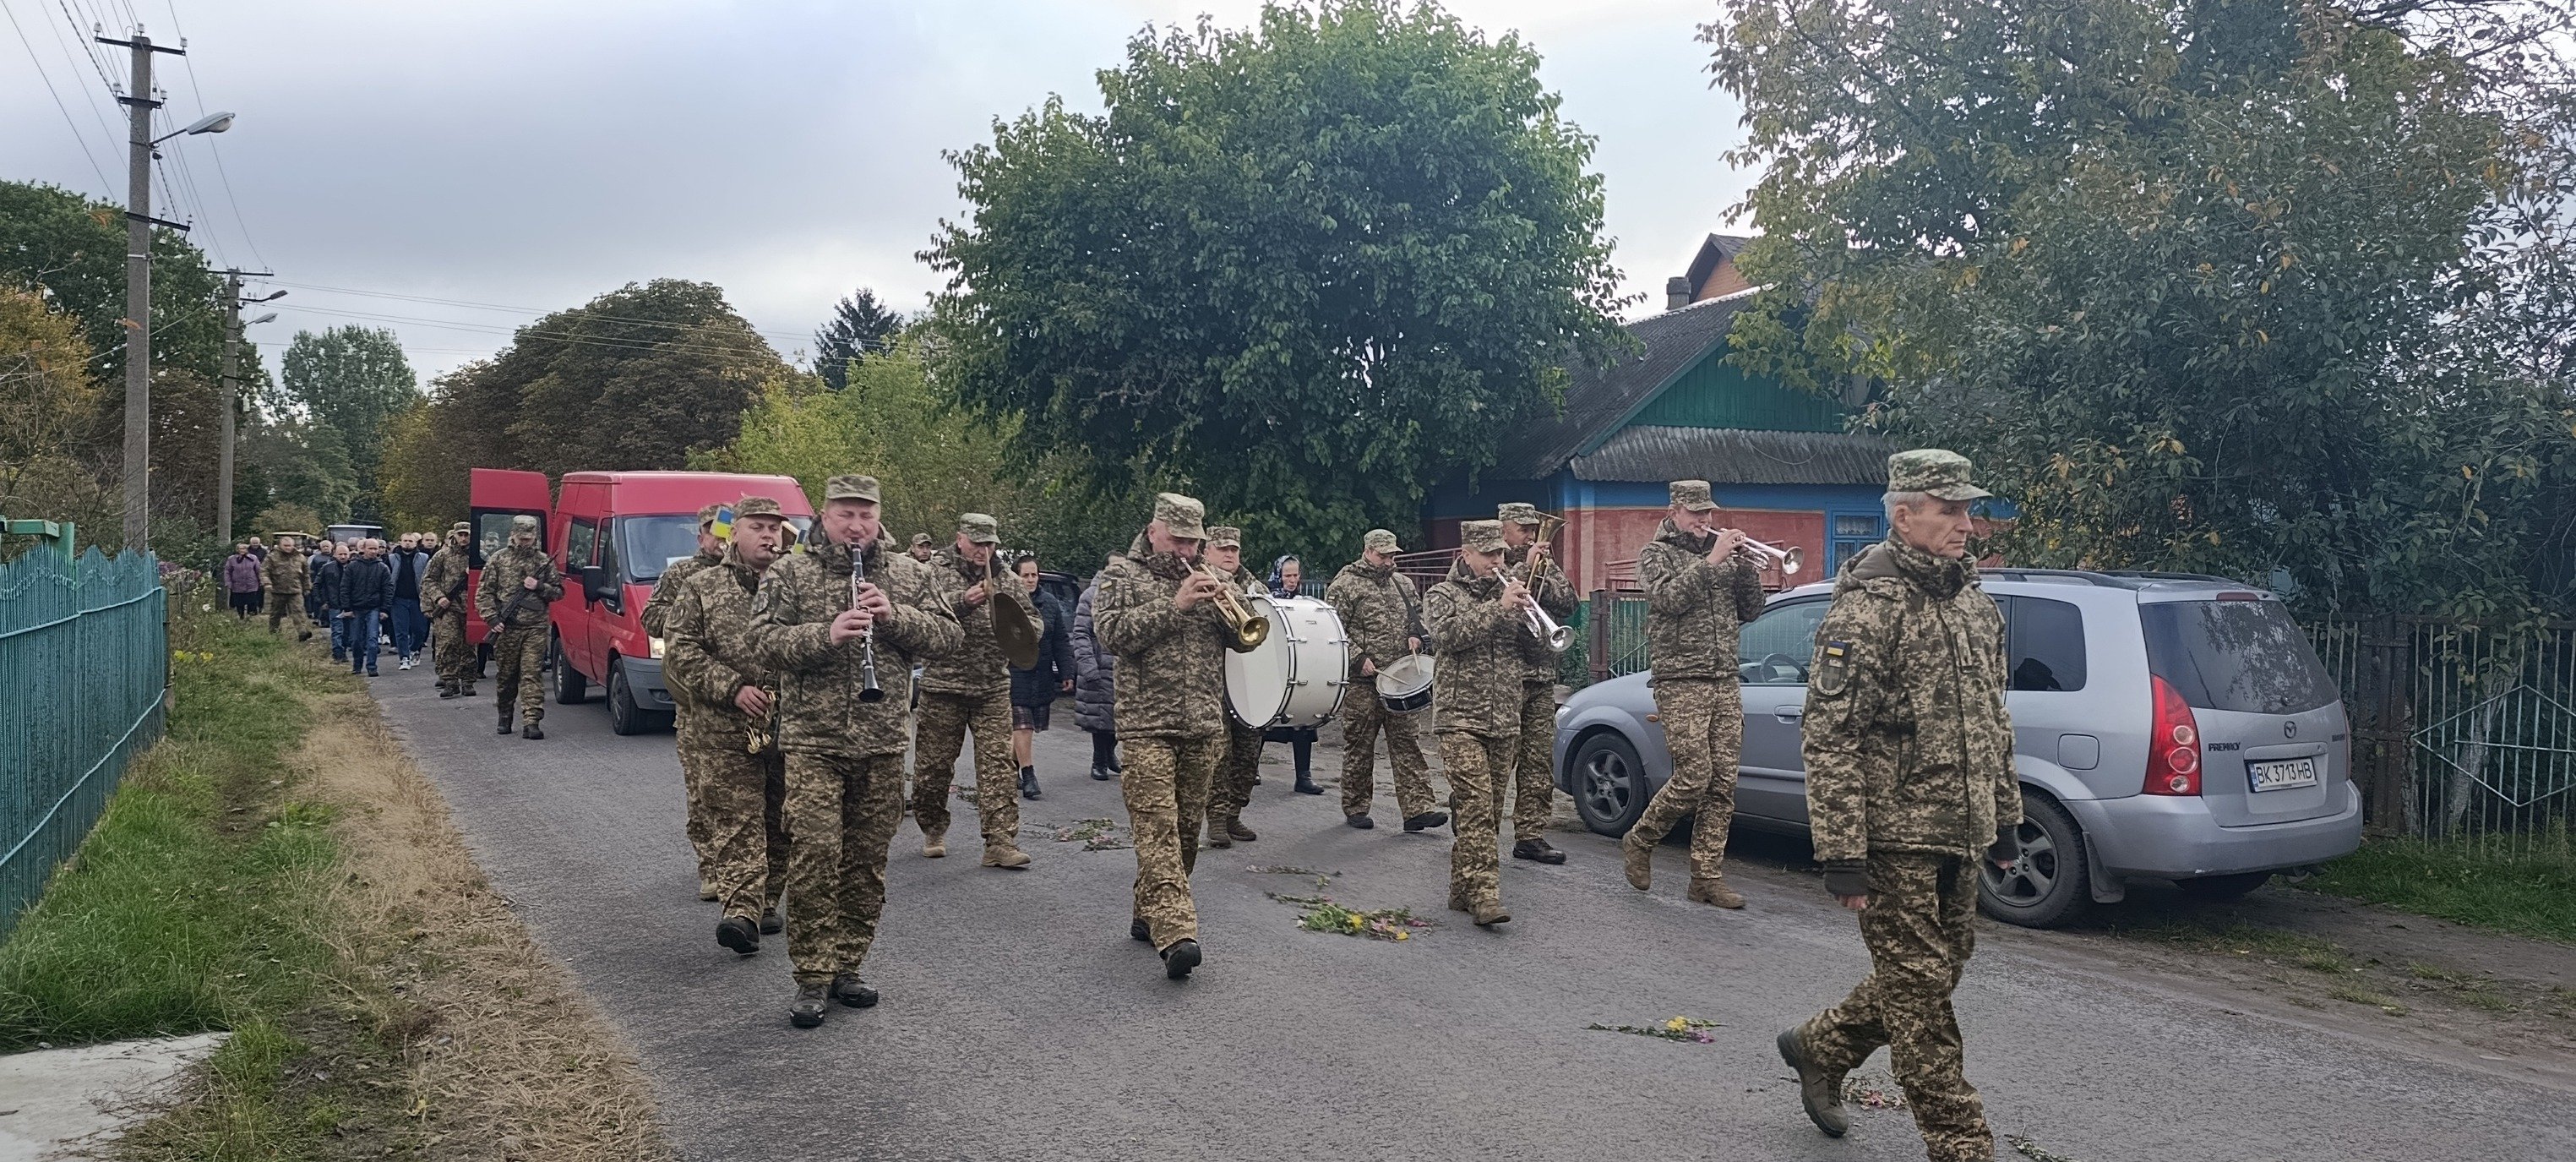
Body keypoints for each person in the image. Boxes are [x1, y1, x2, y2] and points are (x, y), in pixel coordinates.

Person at [1776, 450, 2020, 1162]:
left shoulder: (1974, 605)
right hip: (1893, 838)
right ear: (1904, 515)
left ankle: (1820, 1045)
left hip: (1961, 830)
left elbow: (1993, 721)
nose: (1965, 524)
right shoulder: (1866, 608)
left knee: (1937, 973)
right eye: (1949, 510)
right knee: (1920, 1000)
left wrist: (2004, 818)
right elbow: (1830, 735)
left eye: (1968, 510)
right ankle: (1961, 1142)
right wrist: (1842, 852)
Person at [746, 474, 961, 1027]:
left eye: (866, 514)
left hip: (882, 741)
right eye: (845, 514)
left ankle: (847, 965)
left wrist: (895, 617)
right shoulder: (792, 571)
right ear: (825, 516)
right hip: (813, 743)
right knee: (816, 857)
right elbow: (761, 641)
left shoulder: (910, 573)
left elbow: (949, 637)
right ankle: (812, 975)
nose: (856, 525)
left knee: (866, 864)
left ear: (878, 517)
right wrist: (826, 634)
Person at [1094, 492, 1228, 979]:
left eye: (1194, 542)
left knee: (1187, 833)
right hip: (1146, 725)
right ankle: (1176, 935)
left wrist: (1231, 602)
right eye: (1177, 540)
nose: (1186, 551)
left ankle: (1146, 912)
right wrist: (1176, 604)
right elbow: (1111, 634)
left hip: (1202, 724)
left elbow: (1245, 641)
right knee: (1158, 831)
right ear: (1154, 532)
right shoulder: (1121, 577)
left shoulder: (1211, 576)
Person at [1620, 481, 1768, 908]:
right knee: (1693, 776)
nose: (1704, 520)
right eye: (1695, 513)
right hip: (1681, 678)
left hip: (1724, 678)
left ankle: (1706, 877)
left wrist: (1746, 569)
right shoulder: (1656, 554)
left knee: (1722, 782)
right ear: (1674, 512)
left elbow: (1751, 610)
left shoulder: (1724, 556)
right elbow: (1667, 599)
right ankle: (1641, 838)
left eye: (1708, 512)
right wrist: (1712, 561)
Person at [664, 495, 794, 956]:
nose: (768, 535)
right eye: (757, 526)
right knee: (737, 819)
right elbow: (681, 649)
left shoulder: (797, 585)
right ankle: (740, 911)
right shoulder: (702, 586)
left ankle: (767, 900)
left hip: (789, 728)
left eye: (774, 528)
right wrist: (733, 688)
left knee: (781, 820)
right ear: (733, 533)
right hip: (722, 729)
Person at [912, 513, 1036, 867]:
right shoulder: (933, 572)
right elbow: (918, 617)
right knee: (933, 770)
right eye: (977, 543)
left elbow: (1033, 621)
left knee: (998, 767)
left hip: (991, 687)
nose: (984, 551)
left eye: (990, 544)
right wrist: (962, 602)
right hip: (943, 686)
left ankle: (1000, 842)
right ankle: (933, 827)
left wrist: (1022, 633)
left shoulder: (1007, 578)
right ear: (960, 539)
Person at [1424, 521, 1530, 928]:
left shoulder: (1512, 593)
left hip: (1504, 719)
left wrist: (1533, 618)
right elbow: (1449, 636)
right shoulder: (1442, 595)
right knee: (1475, 806)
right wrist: (1498, 607)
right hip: (1459, 718)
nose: (1497, 561)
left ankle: (1461, 889)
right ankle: (1486, 895)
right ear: (1466, 554)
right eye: (1488, 554)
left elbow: (1539, 654)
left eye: (1501, 553)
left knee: (1490, 811)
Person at [1324, 529, 1443, 832]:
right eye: (1383, 555)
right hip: (1363, 682)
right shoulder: (1345, 585)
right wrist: (1357, 658)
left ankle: (1418, 810)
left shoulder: (1402, 583)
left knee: (1407, 744)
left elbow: (1418, 616)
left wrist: (1416, 634)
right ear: (1367, 552)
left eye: (1392, 555)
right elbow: (1333, 630)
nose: (1389, 561)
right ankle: (1356, 807)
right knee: (1360, 746)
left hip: (1400, 680)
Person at [645, 504, 733, 900]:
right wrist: (692, 616)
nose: (721, 539)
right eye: (714, 532)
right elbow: (651, 618)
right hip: (696, 700)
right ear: (700, 537)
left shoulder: (755, 574)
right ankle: (711, 867)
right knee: (703, 788)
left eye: (727, 531)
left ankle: (749, 868)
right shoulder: (682, 574)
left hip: (747, 698)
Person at [1497, 503, 1577, 865]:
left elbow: (1569, 602)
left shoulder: (1545, 562)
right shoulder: (1492, 561)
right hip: (1506, 678)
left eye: (1535, 529)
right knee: (1501, 759)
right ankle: (1476, 819)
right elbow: (1491, 600)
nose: (1532, 535)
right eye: (1524, 529)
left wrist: (1545, 569)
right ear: (1504, 529)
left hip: (1541, 675)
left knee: (1537, 760)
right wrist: (1524, 568)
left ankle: (1530, 835)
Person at [1201, 526, 1268, 848]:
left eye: (1234, 549)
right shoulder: (1199, 580)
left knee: (1248, 753)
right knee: (1220, 754)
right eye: (1222, 548)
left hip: (1246, 683)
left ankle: (1233, 813)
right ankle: (1215, 818)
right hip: (1213, 684)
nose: (1229, 554)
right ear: (1207, 551)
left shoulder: (1255, 587)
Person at [476, 516, 562, 739]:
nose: (525, 541)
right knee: (506, 676)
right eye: (521, 537)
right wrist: (492, 619)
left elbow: (558, 592)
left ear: (534, 536)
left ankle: (531, 721)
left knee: (531, 674)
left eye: (529, 538)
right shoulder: (498, 559)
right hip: (507, 629)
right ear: (513, 535)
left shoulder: (543, 561)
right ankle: (505, 715)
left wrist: (539, 586)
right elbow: (484, 593)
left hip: (535, 627)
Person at [1007, 554, 1075, 793]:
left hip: (1041, 674)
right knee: (1022, 726)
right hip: (1014, 674)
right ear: (1016, 577)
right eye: (1025, 575)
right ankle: (1029, 775)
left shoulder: (1050, 603)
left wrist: (1067, 672)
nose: (1030, 579)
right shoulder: (1007, 602)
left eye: (1034, 575)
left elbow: (1060, 640)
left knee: (1026, 728)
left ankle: (1010, 767)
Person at [1260, 555, 1323, 795]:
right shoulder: (1265, 603)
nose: (1292, 580)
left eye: (1296, 575)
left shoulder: (1304, 604)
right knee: (1261, 722)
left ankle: (1303, 777)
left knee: (1302, 721)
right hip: (1271, 670)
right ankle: (1250, 769)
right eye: (1287, 575)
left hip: (1299, 668)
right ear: (1278, 576)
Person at [1070, 570, 1120, 782]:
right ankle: (1098, 761)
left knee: (1119, 717)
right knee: (1100, 719)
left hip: (1120, 668)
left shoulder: (1127, 592)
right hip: (1099, 666)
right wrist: (1088, 666)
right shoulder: (1091, 595)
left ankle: (1110, 755)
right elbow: (1081, 633)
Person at [421, 523, 477, 697]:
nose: (463, 538)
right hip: (449, 607)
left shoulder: (478, 556)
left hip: (471, 607)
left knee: (469, 645)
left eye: (467, 535)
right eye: (460, 535)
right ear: (454, 536)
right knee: (448, 643)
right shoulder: (442, 555)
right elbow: (428, 580)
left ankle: (468, 681)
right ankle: (450, 681)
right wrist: (439, 597)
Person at [337, 539, 395, 678]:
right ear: (363, 549)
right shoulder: (352, 567)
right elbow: (345, 588)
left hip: (374, 608)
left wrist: (385, 609)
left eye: (376, 549)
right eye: (371, 548)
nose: (373, 551)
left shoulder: (382, 568)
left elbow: (388, 590)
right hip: (356, 608)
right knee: (356, 639)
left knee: (372, 639)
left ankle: (371, 666)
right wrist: (347, 608)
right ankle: (357, 665)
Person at [387, 532, 434, 670]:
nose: (408, 543)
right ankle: (404, 658)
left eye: (411, 541)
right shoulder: (392, 559)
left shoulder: (424, 558)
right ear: (400, 542)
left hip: (417, 599)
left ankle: (414, 649)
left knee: (419, 630)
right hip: (398, 599)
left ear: (416, 543)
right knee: (401, 631)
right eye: (405, 540)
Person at [261, 536, 312, 640]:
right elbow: (264, 571)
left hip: (295, 589)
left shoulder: (300, 557)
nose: (288, 548)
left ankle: (302, 632)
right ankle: (274, 633)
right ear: (280, 545)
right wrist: (267, 583)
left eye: (290, 546)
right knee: (276, 614)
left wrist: (307, 587)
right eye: (286, 546)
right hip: (277, 590)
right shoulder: (272, 557)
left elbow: (306, 574)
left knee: (298, 611)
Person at [314, 543, 349, 661]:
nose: (343, 557)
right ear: (335, 554)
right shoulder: (327, 568)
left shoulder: (353, 567)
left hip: (350, 605)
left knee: (347, 632)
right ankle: (338, 654)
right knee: (337, 630)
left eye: (345, 554)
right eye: (340, 554)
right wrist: (321, 601)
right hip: (334, 604)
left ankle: (343, 651)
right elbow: (317, 585)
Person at [222, 543, 264, 621]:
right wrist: (228, 582)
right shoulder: (232, 559)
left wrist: (261, 580)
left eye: (244, 549)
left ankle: (250, 618)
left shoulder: (253, 558)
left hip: (251, 584)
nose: (242, 550)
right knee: (239, 603)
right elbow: (227, 571)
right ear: (237, 550)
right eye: (240, 549)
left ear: (247, 549)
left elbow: (259, 570)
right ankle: (241, 617)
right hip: (237, 585)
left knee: (252, 602)